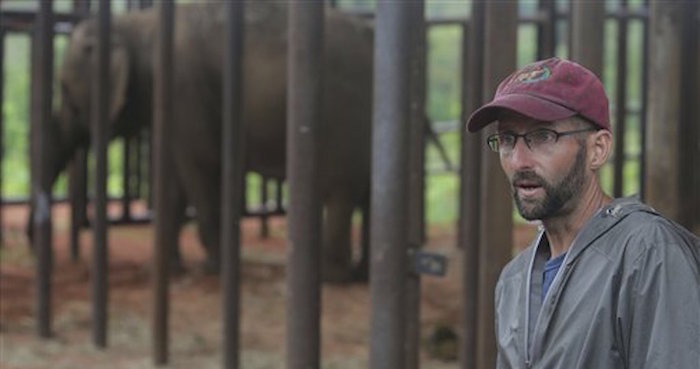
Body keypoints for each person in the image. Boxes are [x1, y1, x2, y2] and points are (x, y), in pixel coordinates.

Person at [465, 57, 700, 369]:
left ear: (598, 149)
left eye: (543, 136)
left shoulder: (648, 254)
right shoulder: (513, 280)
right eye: (507, 139)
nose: (519, 160)